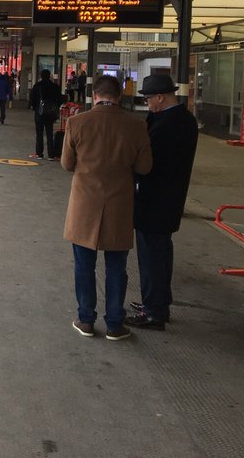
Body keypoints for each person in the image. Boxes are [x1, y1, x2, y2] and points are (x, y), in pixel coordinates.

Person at [61, 75, 152, 341]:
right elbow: (144, 168)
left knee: (83, 266)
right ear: (118, 96)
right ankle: (114, 324)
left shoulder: (76, 122)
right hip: (119, 206)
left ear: (95, 95)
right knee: (116, 268)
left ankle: (86, 320)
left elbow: (67, 164)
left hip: (84, 207)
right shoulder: (137, 127)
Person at [125, 74, 199, 330]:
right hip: (166, 200)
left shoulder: (170, 123)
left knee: (152, 255)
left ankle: (154, 310)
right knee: (161, 251)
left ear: (160, 97)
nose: (147, 104)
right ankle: (158, 301)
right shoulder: (180, 119)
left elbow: (148, 160)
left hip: (155, 200)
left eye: (148, 99)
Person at [28, 69, 62, 159]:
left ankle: (39, 153)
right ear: (49, 75)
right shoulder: (55, 86)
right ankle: (51, 155)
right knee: (49, 133)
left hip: (39, 113)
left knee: (39, 134)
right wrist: (55, 107)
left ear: (41, 76)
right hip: (51, 113)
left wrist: (34, 108)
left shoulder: (37, 86)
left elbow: (32, 99)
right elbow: (60, 99)